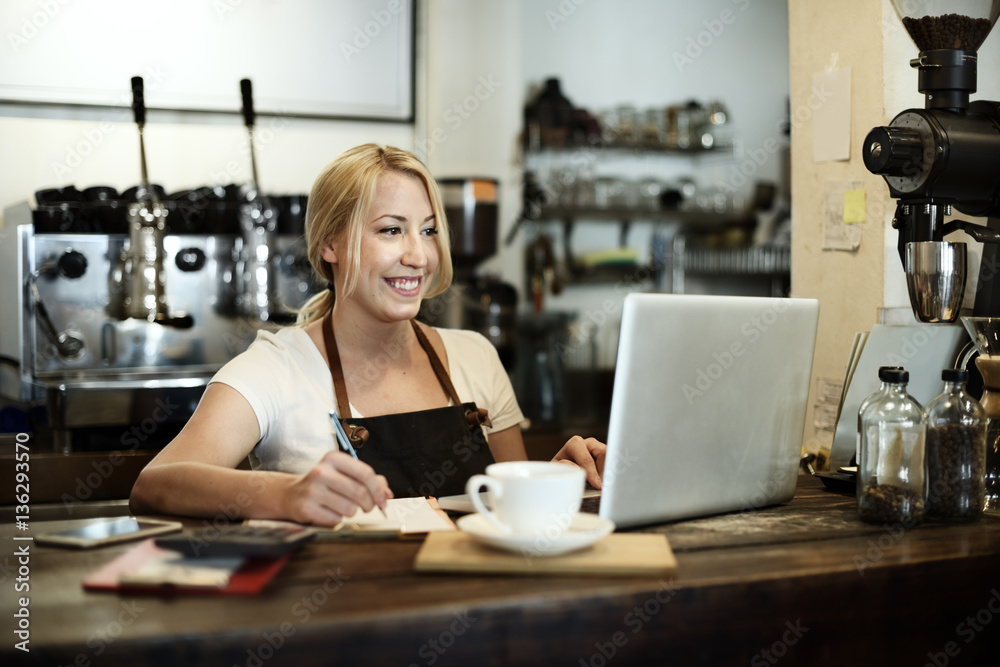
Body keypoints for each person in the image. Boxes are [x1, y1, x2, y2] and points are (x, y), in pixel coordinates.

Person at [129, 144, 606, 526]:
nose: (419, 255)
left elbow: (509, 514)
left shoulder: (474, 356)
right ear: (329, 244)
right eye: (392, 230)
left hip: (475, 618)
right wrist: (286, 495)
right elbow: (155, 486)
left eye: (429, 230)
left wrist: (553, 480)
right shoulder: (276, 368)